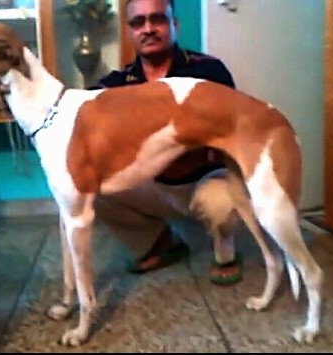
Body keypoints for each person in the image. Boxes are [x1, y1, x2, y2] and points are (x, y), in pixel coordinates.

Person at [90, 0, 242, 285]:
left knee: (223, 207)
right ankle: (161, 244)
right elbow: (74, 107)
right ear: (130, 31)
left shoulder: (209, 70)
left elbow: (234, 131)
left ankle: (226, 252)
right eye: (138, 22)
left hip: (204, 180)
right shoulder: (118, 83)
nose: (148, 29)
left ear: (174, 25)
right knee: (93, 186)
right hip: (152, 185)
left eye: (157, 19)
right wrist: (13, 98)